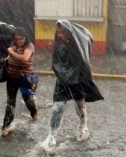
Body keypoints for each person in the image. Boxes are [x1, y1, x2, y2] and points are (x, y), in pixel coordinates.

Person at [41, 20, 104, 152]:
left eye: (63, 32)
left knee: (80, 105)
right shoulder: (58, 44)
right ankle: (52, 136)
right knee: (57, 107)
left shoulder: (77, 44)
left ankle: (83, 126)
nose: (60, 35)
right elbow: (56, 62)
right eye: (58, 32)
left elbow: (87, 41)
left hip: (77, 80)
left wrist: (75, 76)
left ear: (69, 32)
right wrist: (62, 75)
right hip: (63, 79)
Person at [0, 27, 38, 136]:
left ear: (25, 38)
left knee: (27, 99)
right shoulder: (13, 45)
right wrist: (7, 58)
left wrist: (11, 52)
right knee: (10, 102)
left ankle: (34, 113)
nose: (18, 41)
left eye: (21, 39)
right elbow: (10, 55)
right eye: (16, 39)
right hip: (12, 77)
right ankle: (6, 126)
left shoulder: (29, 46)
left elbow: (25, 58)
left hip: (25, 78)